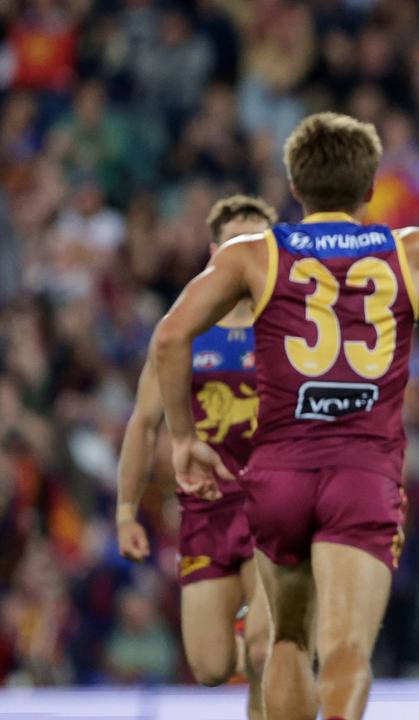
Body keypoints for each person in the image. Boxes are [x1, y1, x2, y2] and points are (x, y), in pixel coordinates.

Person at [151, 113, 419, 720]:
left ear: (294, 187)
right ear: (371, 187)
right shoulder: (407, 250)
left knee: (288, 641)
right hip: (363, 470)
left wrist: (184, 440)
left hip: (279, 472)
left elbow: (169, 338)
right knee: (346, 648)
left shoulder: (254, 255)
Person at [115, 194, 275, 718]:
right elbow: (143, 423)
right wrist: (124, 512)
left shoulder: (290, 327)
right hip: (205, 512)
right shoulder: (184, 329)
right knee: (210, 668)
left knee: (261, 649)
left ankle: (281, 659)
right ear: (214, 251)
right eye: (237, 243)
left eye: (259, 243)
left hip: (273, 507)